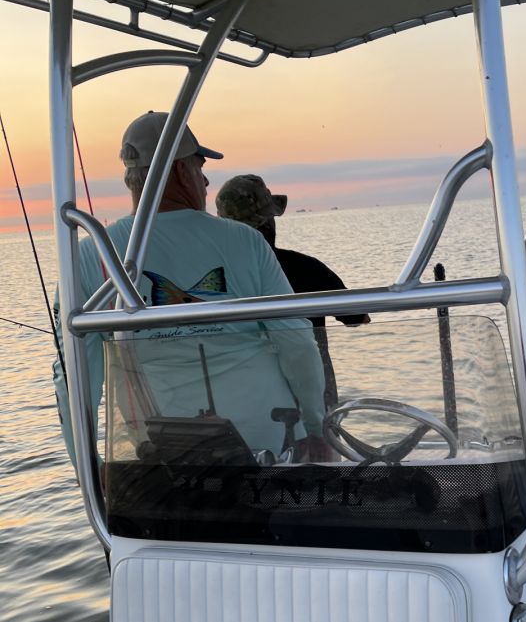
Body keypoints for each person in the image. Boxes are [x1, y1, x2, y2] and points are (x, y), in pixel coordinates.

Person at [53, 111, 330, 468]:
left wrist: (89, 471)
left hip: (163, 458)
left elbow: (74, 382)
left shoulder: (89, 257)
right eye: (200, 167)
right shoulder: (245, 241)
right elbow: (297, 342)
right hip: (270, 445)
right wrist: (316, 427)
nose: (206, 180)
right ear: (182, 171)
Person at [215, 174, 369, 408]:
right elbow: (358, 318)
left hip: (241, 399)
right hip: (312, 397)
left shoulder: (215, 276)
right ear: (268, 222)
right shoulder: (307, 268)